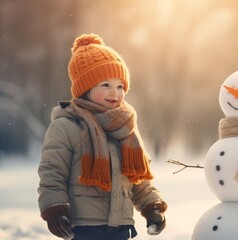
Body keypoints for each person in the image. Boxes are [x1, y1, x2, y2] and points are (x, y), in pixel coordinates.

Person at [38, 33, 167, 240]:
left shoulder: (126, 126)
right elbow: (52, 173)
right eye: (105, 85)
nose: (114, 93)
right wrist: (54, 209)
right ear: (85, 89)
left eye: (120, 86)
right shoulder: (67, 125)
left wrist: (152, 206)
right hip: (84, 227)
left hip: (121, 226)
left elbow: (138, 177)